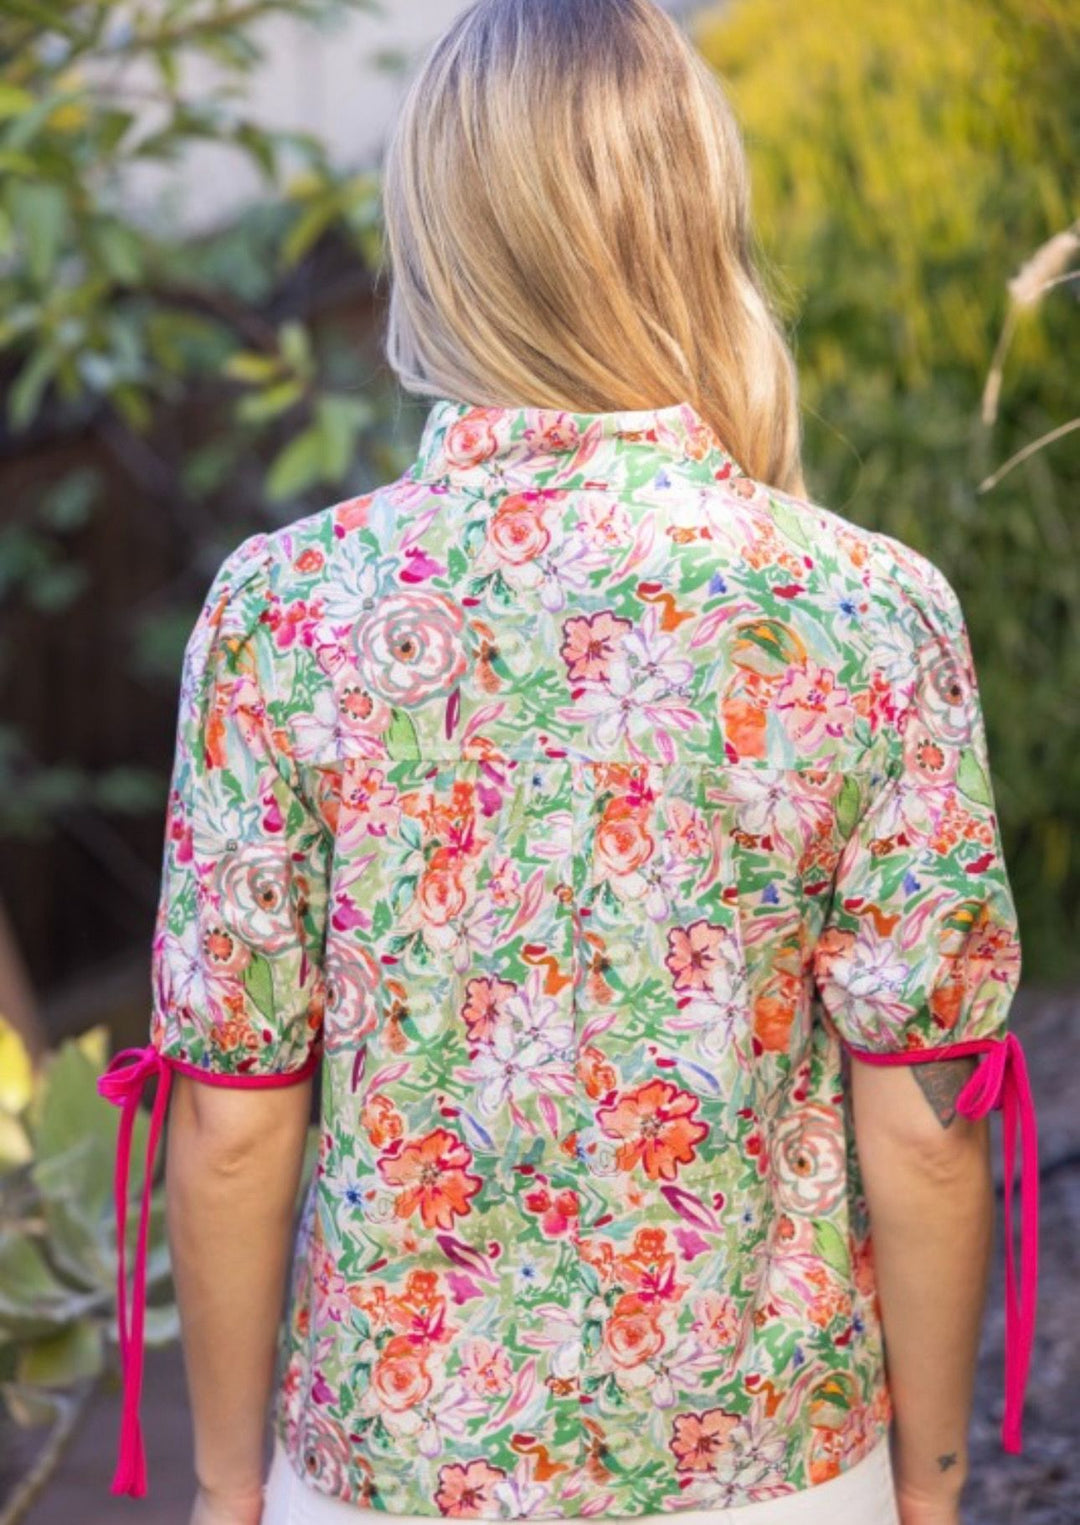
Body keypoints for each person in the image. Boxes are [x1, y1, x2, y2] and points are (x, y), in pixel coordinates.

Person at [96, 2, 1039, 1523]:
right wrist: (928, 1494)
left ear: (435, 237)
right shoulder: (863, 607)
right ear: (693, 219)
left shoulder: (288, 613)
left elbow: (232, 1107)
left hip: (394, 1475)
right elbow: (928, 1117)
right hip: (773, 1465)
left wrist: (224, 1488)